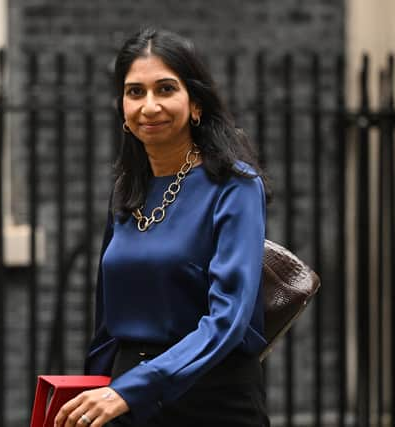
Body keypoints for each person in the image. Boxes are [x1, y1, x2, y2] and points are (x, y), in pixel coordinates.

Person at [54, 28, 270, 427]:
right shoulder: (126, 189)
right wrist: (93, 393)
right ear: (122, 106)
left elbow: (229, 320)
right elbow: (107, 326)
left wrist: (130, 389)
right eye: (135, 92)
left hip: (208, 398)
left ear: (196, 105)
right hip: (126, 402)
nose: (149, 106)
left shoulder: (234, 186)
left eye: (165, 89)